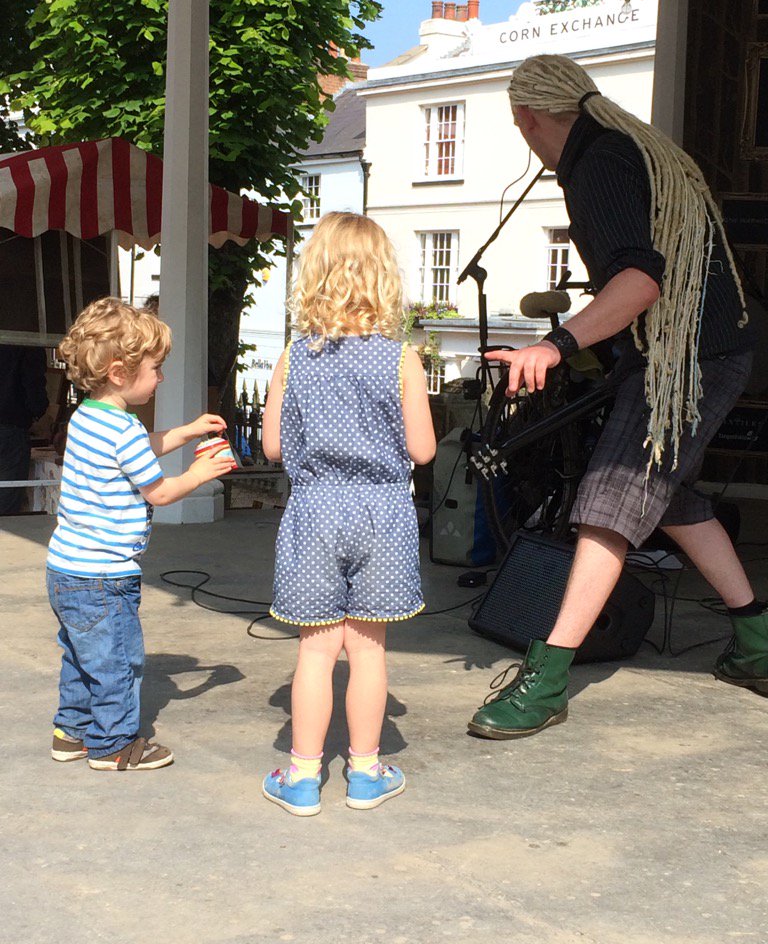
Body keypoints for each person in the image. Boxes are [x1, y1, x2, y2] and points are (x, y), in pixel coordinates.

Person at [468, 53, 764, 740]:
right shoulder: (625, 147)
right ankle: (756, 642)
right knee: (672, 500)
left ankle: (547, 679)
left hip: (684, 362)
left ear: (526, 118)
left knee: (608, 500)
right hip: (705, 352)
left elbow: (639, 281)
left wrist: (555, 345)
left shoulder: (597, 164)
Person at [260, 212, 436, 816]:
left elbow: (272, 447)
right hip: (382, 514)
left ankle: (302, 778)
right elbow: (423, 450)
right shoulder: (402, 359)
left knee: (315, 653)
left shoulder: (293, 358)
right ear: (384, 278)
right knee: (367, 651)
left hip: (315, 512)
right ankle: (365, 774)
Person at [47, 297, 234, 770]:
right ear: (118, 372)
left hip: (66, 569)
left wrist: (186, 432)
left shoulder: (88, 417)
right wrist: (199, 474)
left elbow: (140, 448)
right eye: (155, 369)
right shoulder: (124, 429)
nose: (161, 378)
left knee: (81, 657)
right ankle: (113, 744)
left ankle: (71, 732)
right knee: (118, 663)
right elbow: (161, 492)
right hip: (104, 577)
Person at [0, 345, 48, 515]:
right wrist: (37, 411)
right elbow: (34, 385)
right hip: (10, 427)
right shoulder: (28, 344)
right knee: (6, 500)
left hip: (10, 426)